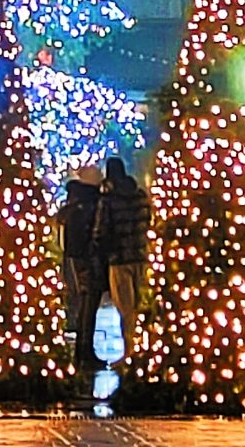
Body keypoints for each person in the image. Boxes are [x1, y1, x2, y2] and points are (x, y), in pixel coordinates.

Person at [94, 154, 149, 361]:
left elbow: (101, 231)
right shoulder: (140, 196)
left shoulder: (108, 200)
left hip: (118, 260)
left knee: (124, 307)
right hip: (141, 256)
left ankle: (130, 352)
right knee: (140, 303)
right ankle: (144, 350)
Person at [59, 164, 106, 374]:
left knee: (85, 305)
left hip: (74, 257)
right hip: (86, 259)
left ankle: (83, 352)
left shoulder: (73, 202)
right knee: (89, 305)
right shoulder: (90, 203)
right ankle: (85, 352)